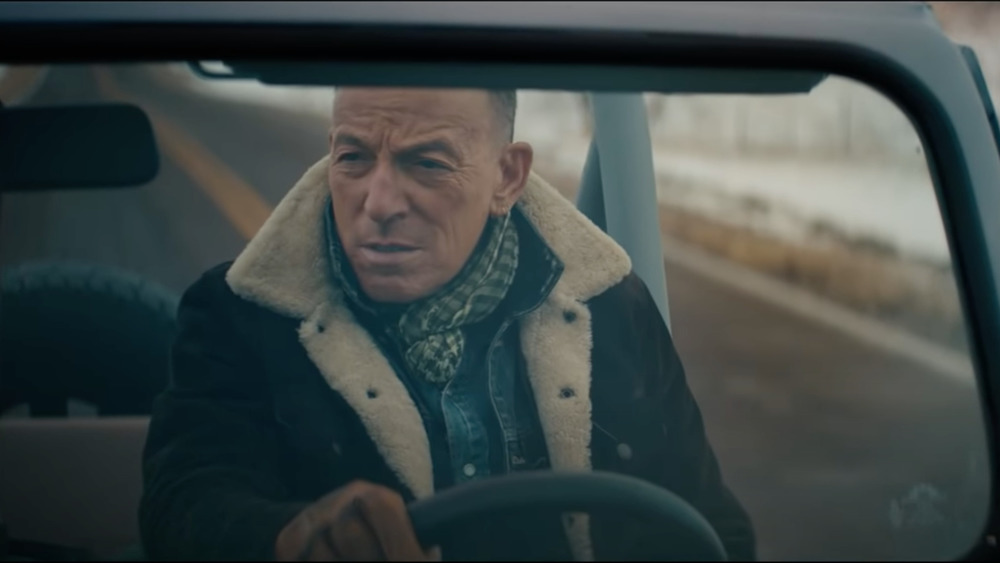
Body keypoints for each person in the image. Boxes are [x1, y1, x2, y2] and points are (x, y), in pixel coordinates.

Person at [138, 87, 756, 561]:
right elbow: (184, 504)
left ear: (507, 177)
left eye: (426, 164)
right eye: (352, 157)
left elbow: (709, 527)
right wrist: (287, 535)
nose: (377, 203)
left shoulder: (613, 309)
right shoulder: (239, 314)